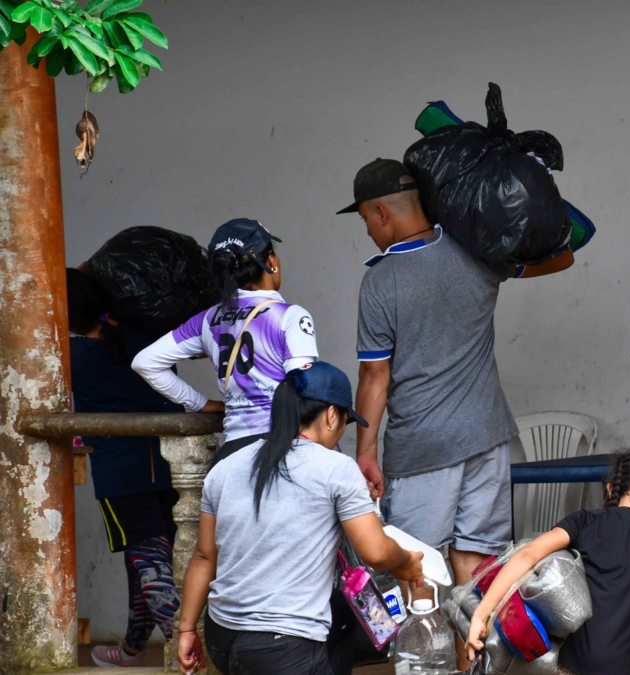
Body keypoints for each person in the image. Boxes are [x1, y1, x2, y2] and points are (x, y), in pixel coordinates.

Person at [339, 159, 573, 593]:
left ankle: (422, 661)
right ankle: (474, 656)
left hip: (423, 447)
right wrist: (541, 197)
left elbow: (375, 374)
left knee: (415, 563)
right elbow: (563, 258)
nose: (368, 230)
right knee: (478, 560)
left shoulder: (381, 281)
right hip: (487, 435)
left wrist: (365, 453)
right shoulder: (477, 253)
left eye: (365, 219)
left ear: (381, 213)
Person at [176, 361, 424, 675]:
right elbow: (375, 553)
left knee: (342, 612)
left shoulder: (226, 467)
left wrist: (186, 630)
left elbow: (203, 555)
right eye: (345, 421)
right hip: (282, 646)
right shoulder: (335, 468)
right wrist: (407, 562)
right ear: (332, 415)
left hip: (222, 636)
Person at [466, 449, 630, 675]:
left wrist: (481, 615)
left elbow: (527, 554)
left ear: (610, 488)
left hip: (567, 661)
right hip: (619, 665)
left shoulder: (584, 521)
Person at [66, 268, 184, 668]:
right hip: (165, 466)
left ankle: (189, 649)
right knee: (152, 562)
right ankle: (133, 648)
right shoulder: (139, 339)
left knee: (149, 568)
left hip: (119, 473)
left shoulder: (72, 357)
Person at [133, 218, 319, 465]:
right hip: (286, 448)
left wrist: (199, 403)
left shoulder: (207, 320)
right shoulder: (290, 316)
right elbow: (304, 389)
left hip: (234, 454)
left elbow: (145, 362)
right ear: (271, 261)